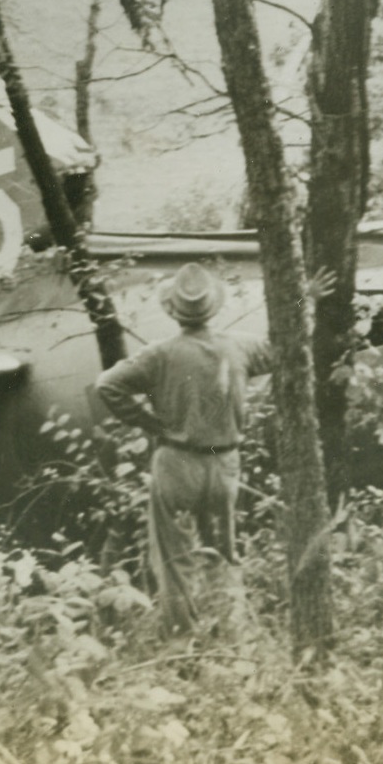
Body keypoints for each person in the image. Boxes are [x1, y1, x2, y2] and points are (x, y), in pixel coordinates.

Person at [94, 262, 271, 632]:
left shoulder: (160, 355)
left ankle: (182, 640)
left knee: (174, 561)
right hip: (224, 465)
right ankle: (232, 635)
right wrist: (306, 300)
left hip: (176, 464)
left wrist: (150, 423)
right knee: (224, 553)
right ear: (214, 308)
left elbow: (107, 385)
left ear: (174, 312)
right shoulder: (240, 347)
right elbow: (286, 345)